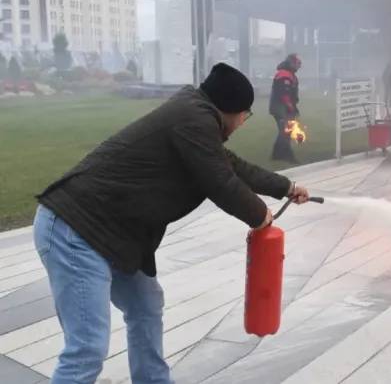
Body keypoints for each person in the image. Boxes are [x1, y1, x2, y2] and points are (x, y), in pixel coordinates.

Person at [33, 63, 311, 384]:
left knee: (146, 306)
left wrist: (285, 188)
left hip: (111, 235)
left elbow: (233, 167)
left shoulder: (194, 119)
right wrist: (260, 215)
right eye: (244, 115)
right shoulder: (192, 120)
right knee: (87, 347)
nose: (242, 123)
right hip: (76, 230)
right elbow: (221, 182)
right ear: (230, 109)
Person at [269, 53, 302, 164]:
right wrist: (290, 106)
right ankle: (286, 156)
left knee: (285, 131)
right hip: (280, 108)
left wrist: (293, 106)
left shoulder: (290, 74)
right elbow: (284, 94)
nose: (300, 66)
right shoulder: (284, 74)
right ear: (291, 62)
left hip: (285, 107)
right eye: (298, 63)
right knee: (285, 131)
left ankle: (277, 155)